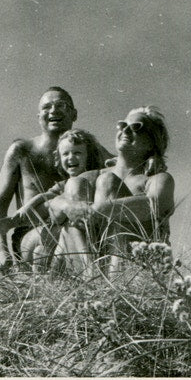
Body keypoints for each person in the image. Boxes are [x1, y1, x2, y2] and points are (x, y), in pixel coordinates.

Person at [0, 87, 112, 273]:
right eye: (47, 107)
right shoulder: (22, 151)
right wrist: (1, 252)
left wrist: (151, 160)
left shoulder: (90, 148)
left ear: (74, 114)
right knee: (52, 242)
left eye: (61, 105)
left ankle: (87, 278)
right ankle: (88, 275)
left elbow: (121, 166)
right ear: (39, 117)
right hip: (32, 233)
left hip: (79, 227)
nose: (53, 111)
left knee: (78, 230)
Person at [48, 105, 174, 279]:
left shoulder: (156, 179)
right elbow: (54, 207)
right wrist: (70, 206)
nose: (126, 130)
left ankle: (113, 279)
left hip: (136, 264)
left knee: (108, 182)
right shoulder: (94, 175)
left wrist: (96, 210)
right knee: (75, 184)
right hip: (91, 264)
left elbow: (154, 205)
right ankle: (92, 278)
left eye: (136, 127)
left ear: (152, 141)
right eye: (122, 125)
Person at [4, 129, 104, 272]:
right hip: (69, 231)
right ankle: (80, 270)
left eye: (77, 153)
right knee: (62, 233)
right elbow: (45, 196)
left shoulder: (95, 178)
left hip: (89, 231)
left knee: (60, 238)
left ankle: (54, 274)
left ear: (89, 156)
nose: (71, 157)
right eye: (65, 154)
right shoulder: (63, 184)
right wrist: (26, 208)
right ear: (59, 158)